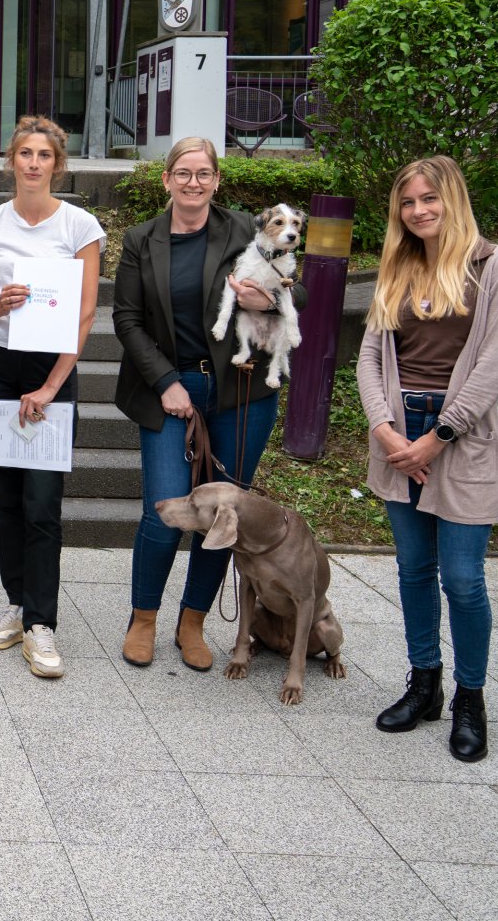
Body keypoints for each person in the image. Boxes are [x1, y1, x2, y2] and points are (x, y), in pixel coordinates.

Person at [358, 156, 498, 763]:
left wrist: (440, 436)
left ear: (452, 199)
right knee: (411, 569)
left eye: (430, 199)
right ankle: (424, 683)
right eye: (408, 202)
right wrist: (384, 429)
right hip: (398, 433)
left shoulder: (494, 266)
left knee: (462, 578)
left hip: (463, 435)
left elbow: (494, 365)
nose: (419, 210)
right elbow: (371, 356)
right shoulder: (398, 265)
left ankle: (469, 700)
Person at [113, 137, 301, 671]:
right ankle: (143, 617)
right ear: (167, 178)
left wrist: (268, 299)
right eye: (183, 172)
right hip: (168, 390)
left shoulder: (246, 228)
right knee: (166, 508)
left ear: (217, 180)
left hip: (240, 392)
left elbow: (298, 291)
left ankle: (192, 621)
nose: (193, 182)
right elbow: (126, 319)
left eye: (203, 173)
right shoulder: (141, 239)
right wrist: (165, 381)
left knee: (225, 514)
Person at [0, 115, 103, 679]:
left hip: (52, 367)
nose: (34, 163)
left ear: (57, 164)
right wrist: (0, 305)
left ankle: (43, 623)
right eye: (25, 153)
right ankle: (17, 604)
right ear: (11, 162)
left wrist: (49, 387)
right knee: (6, 499)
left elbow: (86, 312)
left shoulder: (80, 226)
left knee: (43, 502)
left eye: (44, 155)